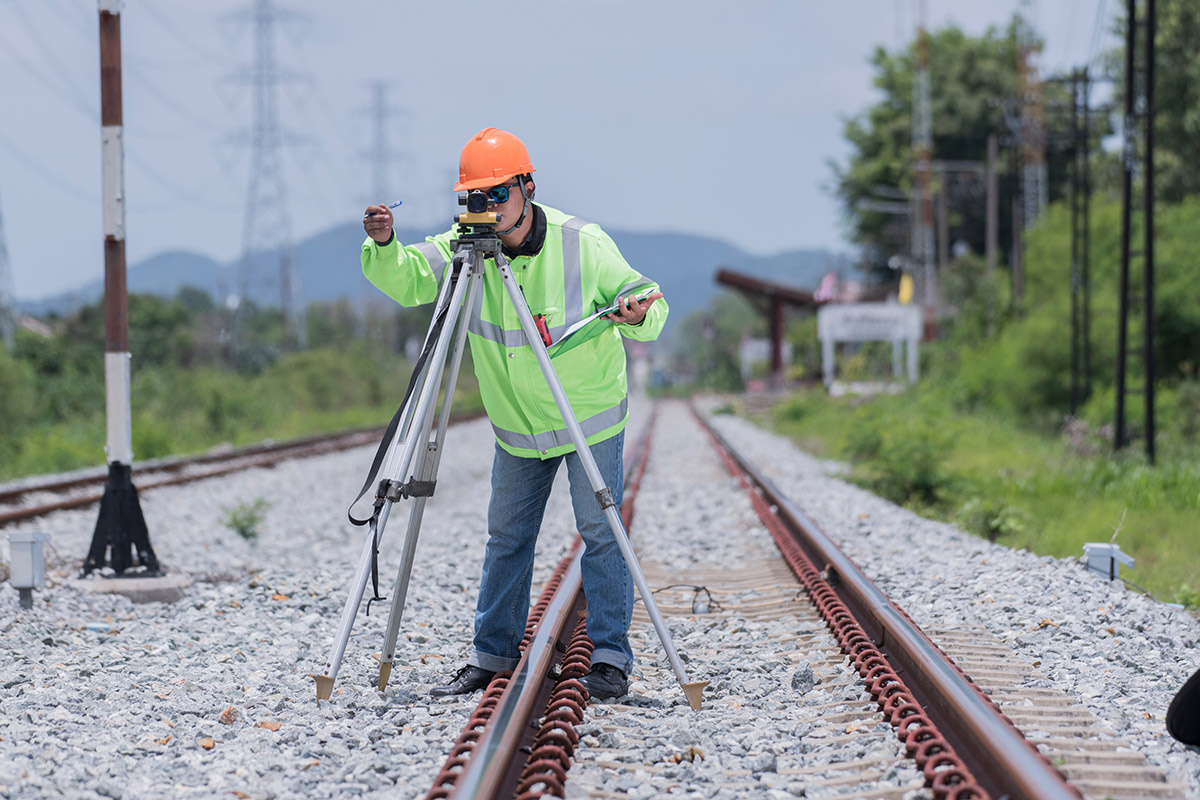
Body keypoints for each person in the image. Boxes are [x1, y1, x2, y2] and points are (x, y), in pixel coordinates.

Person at [360, 128, 668, 701]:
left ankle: (609, 658)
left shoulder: (584, 244)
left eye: (498, 195)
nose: (488, 210)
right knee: (506, 537)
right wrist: (384, 245)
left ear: (528, 187)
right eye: (475, 198)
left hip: (587, 416)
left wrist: (635, 315)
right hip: (518, 427)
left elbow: (651, 299)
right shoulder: (464, 249)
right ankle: (491, 655)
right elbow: (407, 279)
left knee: (601, 533)